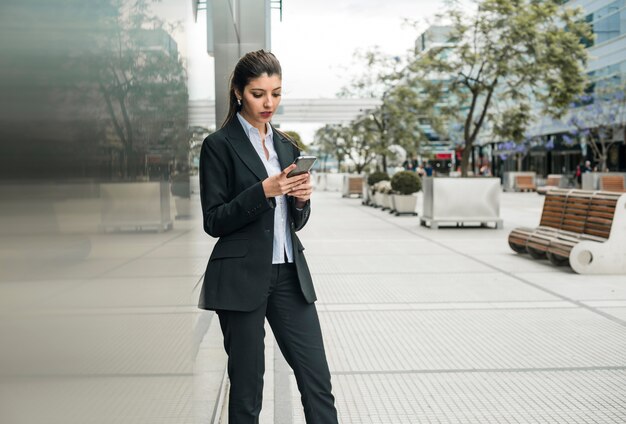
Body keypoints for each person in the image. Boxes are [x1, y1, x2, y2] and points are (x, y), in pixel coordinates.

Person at [198, 50, 338, 424]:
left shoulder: (286, 145)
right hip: (241, 278)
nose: (269, 103)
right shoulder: (218, 146)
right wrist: (263, 191)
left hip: (289, 275)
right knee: (247, 389)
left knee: (317, 380)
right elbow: (213, 220)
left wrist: (301, 201)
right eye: (259, 93)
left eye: (276, 93)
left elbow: (296, 221)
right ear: (239, 92)